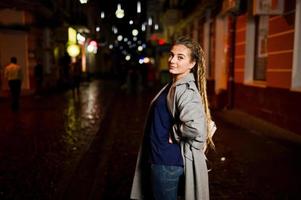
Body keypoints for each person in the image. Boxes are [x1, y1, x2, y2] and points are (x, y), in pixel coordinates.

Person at [130, 36, 216, 200]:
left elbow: (196, 128)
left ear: (192, 64)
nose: (172, 60)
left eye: (180, 57)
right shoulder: (174, 84)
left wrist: (175, 132)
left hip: (167, 162)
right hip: (162, 158)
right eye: (171, 55)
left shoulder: (185, 90)